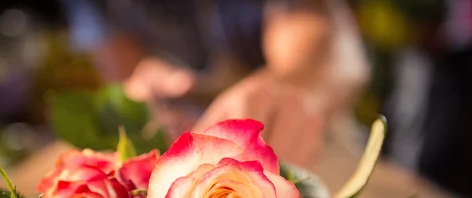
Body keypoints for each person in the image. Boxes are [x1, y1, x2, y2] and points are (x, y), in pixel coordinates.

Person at [61, 0, 369, 167]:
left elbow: (335, 52)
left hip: (312, 150)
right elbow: (123, 72)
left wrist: (294, 90)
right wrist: (140, 98)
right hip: (185, 157)